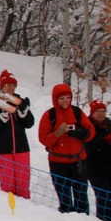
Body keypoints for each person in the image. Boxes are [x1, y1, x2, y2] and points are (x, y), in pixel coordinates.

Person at [38, 84, 95, 214]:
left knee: (81, 195)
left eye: (68, 97)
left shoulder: (77, 112)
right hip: (58, 163)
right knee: (64, 197)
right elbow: (43, 139)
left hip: (78, 162)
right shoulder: (49, 115)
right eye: (62, 98)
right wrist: (57, 134)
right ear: (55, 99)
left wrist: (82, 133)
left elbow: (91, 131)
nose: (65, 101)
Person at [0, 70, 33, 199]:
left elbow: (30, 123)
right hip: (2, 150)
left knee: (23, 186)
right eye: (8, 85)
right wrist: (1, 118)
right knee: (8, 187)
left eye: (13, 85)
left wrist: (25, 114)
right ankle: (9, 215)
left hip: (21, 149)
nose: (11, 88)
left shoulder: (20, 102)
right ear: (2, 87)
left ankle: (26, 213)